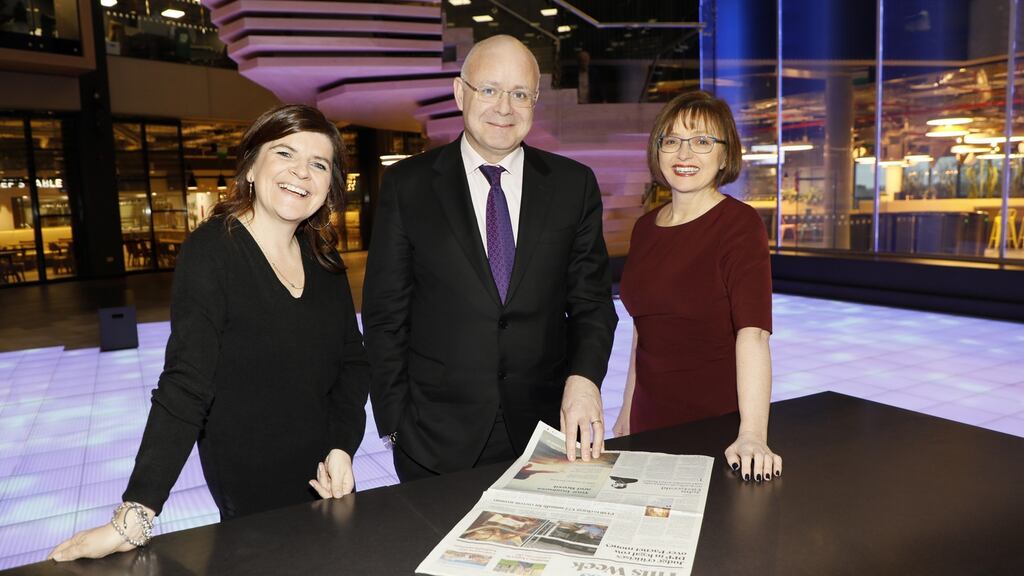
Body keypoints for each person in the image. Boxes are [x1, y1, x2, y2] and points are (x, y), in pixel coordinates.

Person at [49, 104, 370, 561]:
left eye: (318, 163)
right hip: (251, 487)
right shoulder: (213, 252)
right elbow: (185, 384)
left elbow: (352, 364)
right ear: (253, 167)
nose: (301, 172)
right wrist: (136, 512)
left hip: (326, 475)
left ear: (329, 185)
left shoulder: (324, 259)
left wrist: (342, 446)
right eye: (284, 153)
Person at [362, 34, 617, 482]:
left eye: (520, 94)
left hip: (545, 430)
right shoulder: (409, 186)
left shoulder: (572, 185)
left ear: (535, 102)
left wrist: (585, 379)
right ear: (461, 93)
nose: (505, 107)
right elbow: (385, 315)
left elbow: (592, 303)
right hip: (433, 439)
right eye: (490, 89)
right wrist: (395, 424)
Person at [613, 91, 783, 484]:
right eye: (671, 140)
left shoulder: (739, 226)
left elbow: (753, 334)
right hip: (648, 418)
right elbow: (644, 329)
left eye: (702, 141)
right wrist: (626, 410)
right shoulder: (644, 228)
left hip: (713, 424)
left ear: (725, 155)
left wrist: (753, 435)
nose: (683, 153)